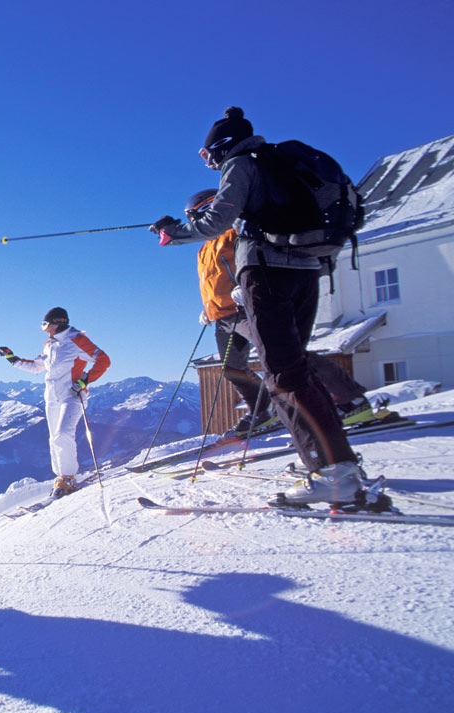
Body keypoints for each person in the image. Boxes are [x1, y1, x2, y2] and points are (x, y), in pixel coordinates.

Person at [151, 107, 380, 508]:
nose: (209, 163)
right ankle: (336, 463)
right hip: (306, 270)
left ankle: (333, 473)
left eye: (207, 156)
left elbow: (218, 219)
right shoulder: (283, 160)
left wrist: (174, 231)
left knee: (284, 374)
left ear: (220, 148)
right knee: (292, 370)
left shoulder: (242, 164)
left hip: (266, 272)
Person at [184, 188, 382, 437]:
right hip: (222, 317)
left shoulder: (239, 231)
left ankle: (352, 400)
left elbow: (260, 259)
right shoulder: (204, 249)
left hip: (248, 308)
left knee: (287, 355)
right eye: (195, 216)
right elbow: (215, 282)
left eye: (205, 211)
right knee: (231, 366)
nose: (200, 220)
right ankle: (262, 410)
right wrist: (209, 308)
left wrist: (246, 289)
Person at [0, 307, 111, 498]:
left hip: (72, 395)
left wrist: (84, 380)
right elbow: (36, 366)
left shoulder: (77, 339)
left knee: (63, 434)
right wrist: (12, 358)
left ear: (57, 322)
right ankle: (60, 477)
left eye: (45, 324)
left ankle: (69, 477)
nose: (44, 329)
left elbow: (103, 360)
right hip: (51, 396)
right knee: (53, 439)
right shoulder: (49, 345)